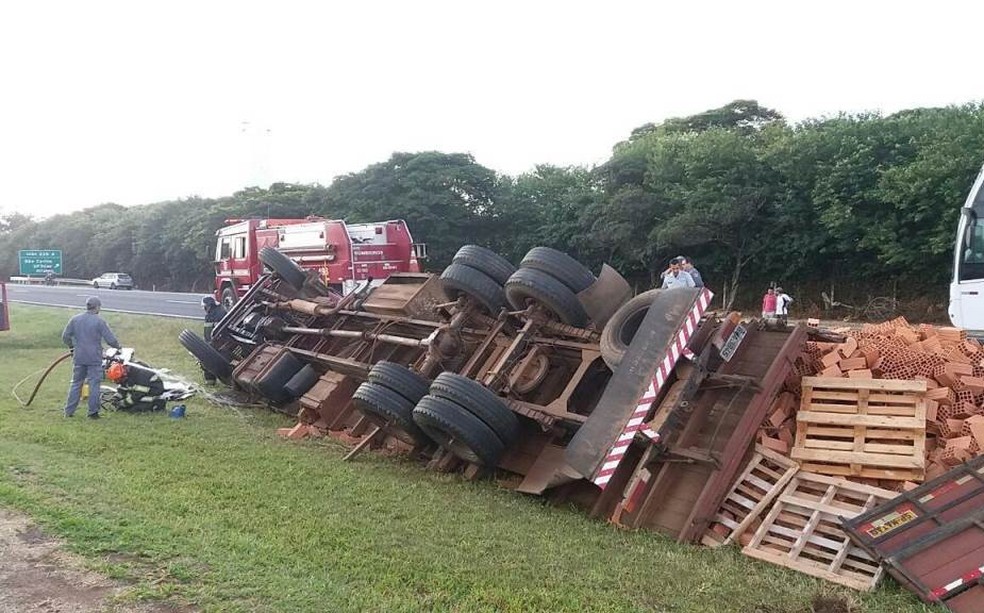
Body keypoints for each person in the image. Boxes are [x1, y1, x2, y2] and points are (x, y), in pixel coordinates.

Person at [62, 296, 121, 419]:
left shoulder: (75, 319)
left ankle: (68, 412)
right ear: (97, 307)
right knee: (94, 384)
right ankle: (93, 413)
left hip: (79, 356)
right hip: (94, 357)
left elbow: (65, 336)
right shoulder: (99, 321)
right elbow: (110, 340)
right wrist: (118, 347)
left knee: (76, 383)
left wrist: (72, 347)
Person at [201, 296, 227, 384]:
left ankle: (210, 381)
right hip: (225, 342)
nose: (204, 309)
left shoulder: (210, 316)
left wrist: (206, 344)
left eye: (205, 307)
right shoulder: (222, 311)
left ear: (209, 306)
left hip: (217, 343)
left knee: (205, 358)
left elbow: (208, 334)